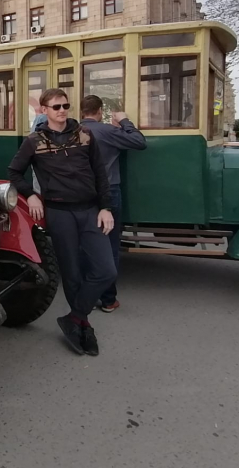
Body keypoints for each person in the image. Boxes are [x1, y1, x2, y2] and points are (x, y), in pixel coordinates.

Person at [8, 88, 116, 356]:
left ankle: (75, 317)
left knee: (106, 270)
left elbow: (101, 174)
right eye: (56, 106)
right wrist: (31, 194)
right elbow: (14, 172)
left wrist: (105, 208)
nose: (62, 110)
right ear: (44, 110)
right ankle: (83, 324)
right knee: (71, 273)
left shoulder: (85, 136)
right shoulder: (34, 141)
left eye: (65, 105)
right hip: (59, 213)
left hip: (90, 210)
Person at [78, 95, 147, 313]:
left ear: (81, 112)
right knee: (110, 245)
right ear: (99, 111)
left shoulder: (72, 132)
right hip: (109, 192)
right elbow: (139, 142)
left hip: (81, 195)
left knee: (84, 243)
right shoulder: (108, 131)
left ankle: (84, 294)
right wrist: (125, 122)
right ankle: (108, 299)